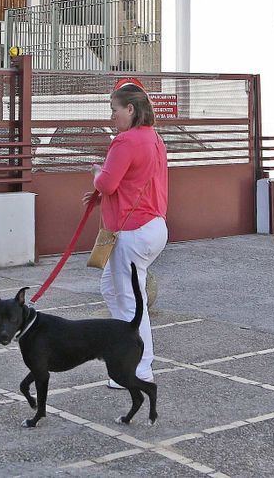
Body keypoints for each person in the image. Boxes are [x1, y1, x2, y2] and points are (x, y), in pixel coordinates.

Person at [86, 84, 168, 385]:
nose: (112, 116)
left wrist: (96, 173)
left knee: (132, 302)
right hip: (153, 226)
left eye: (114, 109)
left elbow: (107, 184)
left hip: (132, 230)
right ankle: (125, 354)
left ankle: (140, 366)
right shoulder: (155, 139)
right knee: (112, 289)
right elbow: (129, 181)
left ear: (130, 110)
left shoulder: (125, 141)